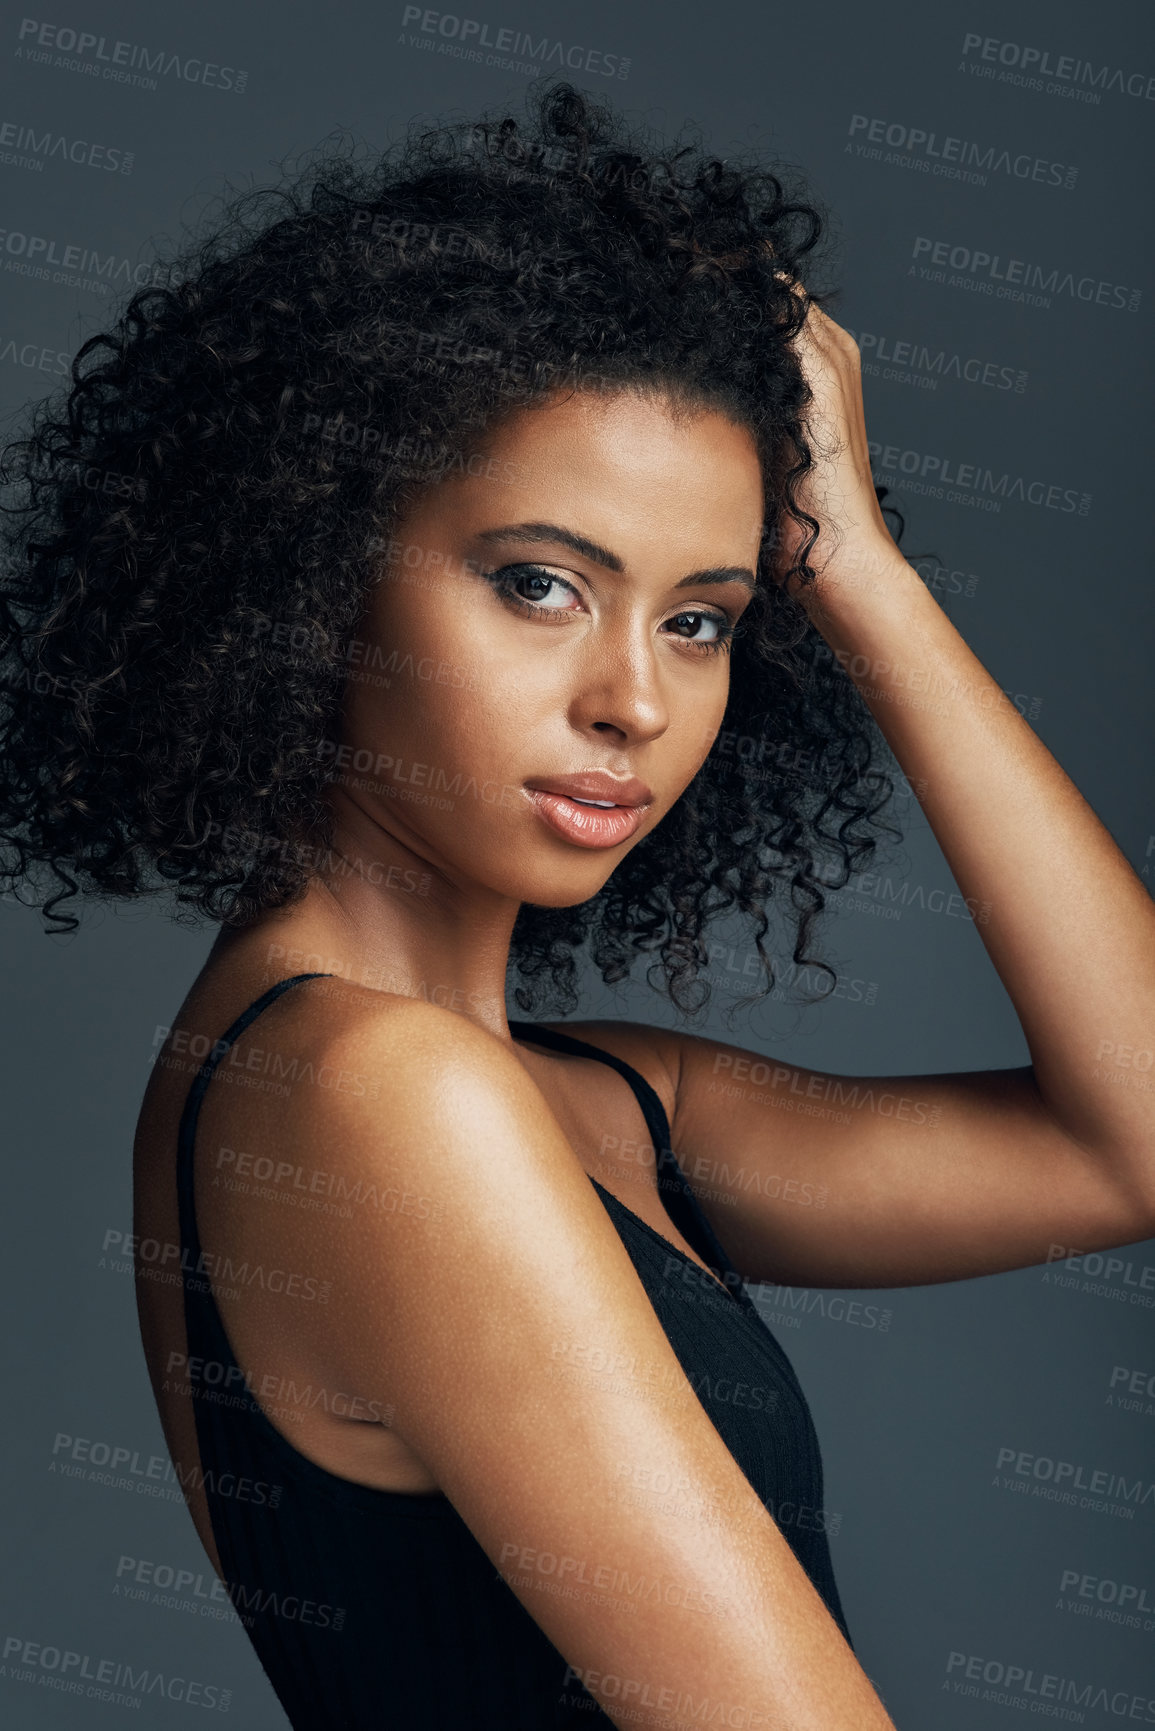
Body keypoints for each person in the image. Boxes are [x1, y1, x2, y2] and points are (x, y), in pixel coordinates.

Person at [1, 77, 1152, 1731]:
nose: (635, 700)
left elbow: (1137, 1137)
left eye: (704, 618)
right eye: (540, 584)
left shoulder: (585, 1097)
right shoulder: (376, 1100)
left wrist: (866, 582)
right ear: (313, 572)